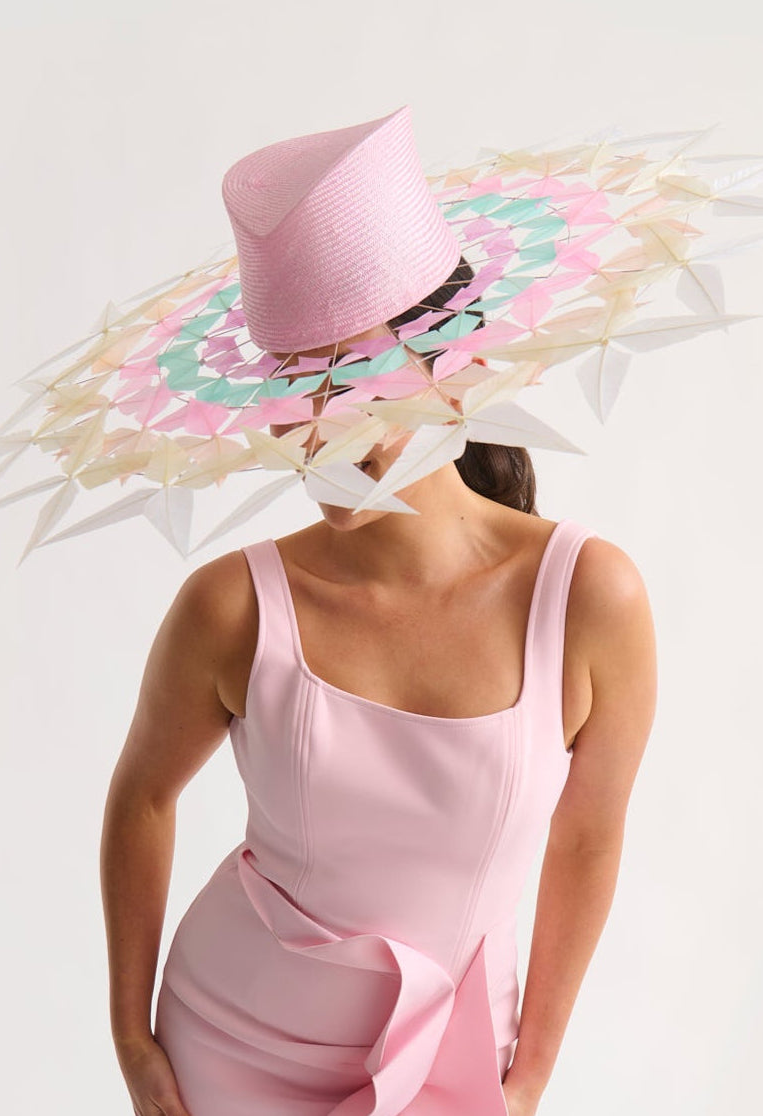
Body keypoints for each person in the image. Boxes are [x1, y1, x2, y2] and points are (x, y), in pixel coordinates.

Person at [100, 110, 657, 1116]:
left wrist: (530, 1068)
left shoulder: (586, 597)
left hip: (453, 1065)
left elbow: (586, 836)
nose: (318, 425)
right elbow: (140, 798)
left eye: (350, 377)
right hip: (222, 1049)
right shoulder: (229, 605)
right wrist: (133, 1043)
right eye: (293, 385)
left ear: (448, 363)